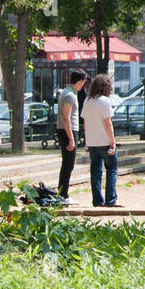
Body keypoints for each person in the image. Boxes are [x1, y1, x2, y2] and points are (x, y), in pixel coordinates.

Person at [81, 72, 118, 207]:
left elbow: (85, 123)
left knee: (95, 171)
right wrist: (112, 141)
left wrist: (86, 141)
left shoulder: (87, 101)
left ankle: (97, 200)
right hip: (105, 141)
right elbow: (108, 123)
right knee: (111, 169)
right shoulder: (105, 101)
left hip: (92, 142)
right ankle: (110, 200)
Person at [55, 69, 87, 202]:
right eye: (83, 83)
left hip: (64, 129)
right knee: (68, 164)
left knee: (67, 164)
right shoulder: (70, 95)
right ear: (80, 81)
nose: (83, 86)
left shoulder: (65, 92)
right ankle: (63, 195)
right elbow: (66, 117)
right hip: (67, 130)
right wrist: (71, 138)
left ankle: (62, 194)